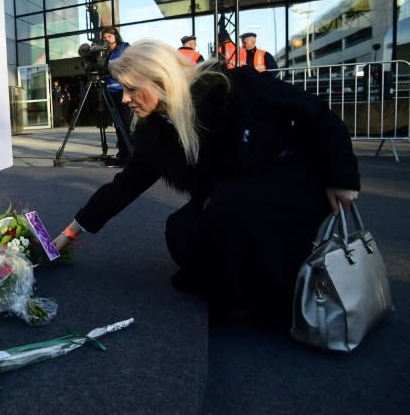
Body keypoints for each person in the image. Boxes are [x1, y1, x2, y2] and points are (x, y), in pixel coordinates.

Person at [52, 39, 360, 325]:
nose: (126, 98)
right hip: (231, 196)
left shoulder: (233, 86)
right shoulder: (154, 132)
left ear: (160, 80)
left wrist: (341, 177)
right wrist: (68, 233)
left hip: (288, 182)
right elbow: (124, 186)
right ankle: (236, 284)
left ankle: (267, 302)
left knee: (230, 209)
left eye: (132, 88)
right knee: (180, 230)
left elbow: (316, 112)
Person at [101, 26, 133, 165]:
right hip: (111, 92)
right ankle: (123, 154)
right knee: (118, 125)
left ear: (115, 36)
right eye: (105, 37)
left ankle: (132, 154)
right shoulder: (107, 52)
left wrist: (127, 91)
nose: (107, 39)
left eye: (109, 36)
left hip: (122, 91)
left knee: (126, 124)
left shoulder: (124, 48)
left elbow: (128, 69)